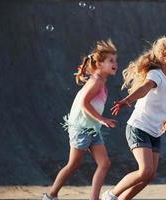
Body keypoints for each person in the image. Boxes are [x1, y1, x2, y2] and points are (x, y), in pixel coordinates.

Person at [102, 35, 166, 200]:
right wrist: (127, 100)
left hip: (155, 132)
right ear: (163, 57)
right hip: (138, 128)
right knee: (145, 170)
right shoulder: (156, 75)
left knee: (150, 175)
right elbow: (145, 88)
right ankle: (110, 195)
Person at [43, 39, 118, 200]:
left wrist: (99, 121)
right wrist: (103, 119)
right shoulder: (97, 81)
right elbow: (84, 103)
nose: (115, 63)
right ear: (99, 64)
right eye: (111, 61)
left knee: (104, 163)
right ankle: (50, 196)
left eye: (115, 60)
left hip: (92, 128)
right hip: (81, 128)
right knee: (73, 164)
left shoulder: (100, 80)